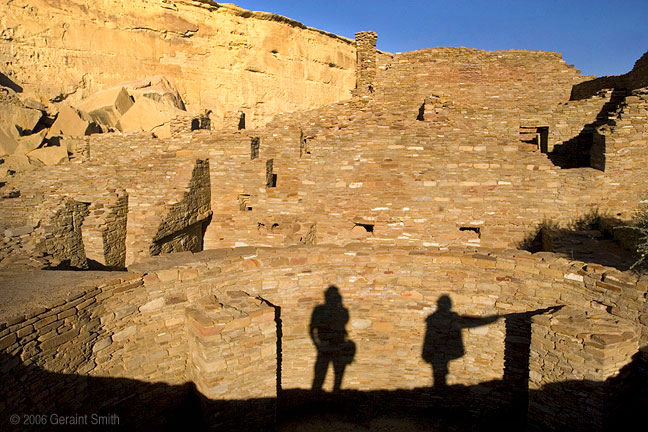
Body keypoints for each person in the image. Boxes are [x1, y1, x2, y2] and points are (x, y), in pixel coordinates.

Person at [422, 295, 500, 387]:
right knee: (440, 374)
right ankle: (440, 392)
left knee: (439, 373)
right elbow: (469, 322)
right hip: (443, 350)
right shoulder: (450, 318)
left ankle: (438, 392)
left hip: (435, 351)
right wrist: (491, 319)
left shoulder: (432, 318)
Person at [310, 286, 356, 391]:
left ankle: (333, 398)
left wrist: (318, 344)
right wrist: (318, 345)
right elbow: (312, 329)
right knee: (320, 377)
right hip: (327, 345)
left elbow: (313, 329)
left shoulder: (340, 311)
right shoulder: (322, 310)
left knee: (337, 376)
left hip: (336, 345)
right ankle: (316, 399)